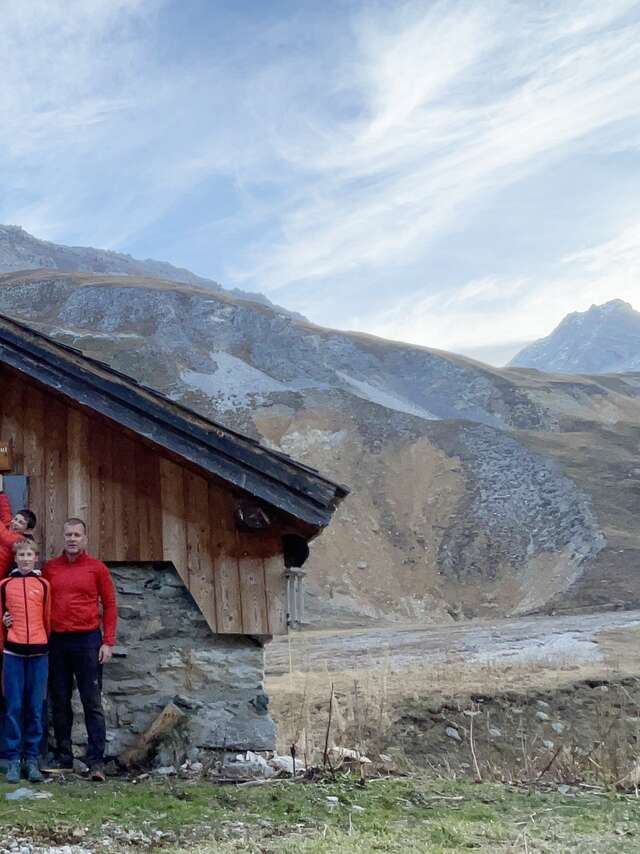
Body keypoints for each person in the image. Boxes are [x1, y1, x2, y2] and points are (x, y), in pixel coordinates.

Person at [43, 518, 117, 782]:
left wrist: (108, 641)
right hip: (57, 642)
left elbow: (109, 605)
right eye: (68, 535)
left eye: (77, 534)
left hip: (87, 641)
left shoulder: (96, 569)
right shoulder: (50, 569)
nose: (72, 539)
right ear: (63, 538)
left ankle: (96, 761)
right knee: (60, 701)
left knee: (91, 701)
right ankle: (64, 758)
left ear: (85, 538)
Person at [0, 539, 51, 783]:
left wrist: (46, 642)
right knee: (13, 707)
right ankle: (11, 760)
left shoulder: (43, 584)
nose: (25, 558)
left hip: (39, 654)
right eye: (21, 554)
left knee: (35, 707)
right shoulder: (4, 585)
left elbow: (48, 617)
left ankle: (31, 760)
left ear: (36, 557)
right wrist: (4, 621)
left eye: (30, 554)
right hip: (13, 654)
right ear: (15, 558)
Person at [0, 492, 37, 579]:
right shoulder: (9, 526)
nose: (15, 523)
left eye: (21, 523)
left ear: (27, 530)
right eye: (15, 519)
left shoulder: (20, 540)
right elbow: (6, 512)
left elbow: (4, 536)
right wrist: (1, 495)